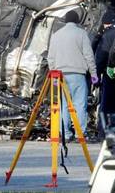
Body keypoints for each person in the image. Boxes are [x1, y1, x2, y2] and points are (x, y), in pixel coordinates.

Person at [47, 10, 98, 141]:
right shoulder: (81, 34)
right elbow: (89, 56)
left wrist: (53, 72)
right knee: (79, 104)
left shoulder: (56, 35)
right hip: (77, 74)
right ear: (77, 21)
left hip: (59, 75)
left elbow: (50, 57)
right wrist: (93, 73)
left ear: (64, 20)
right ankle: (79, 133)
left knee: (63, 105)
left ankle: (65, 134)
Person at [94, 9, 115, 137]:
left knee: (106, 103)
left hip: (110, 72)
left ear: (108, 23)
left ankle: (104, 131)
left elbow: (102, 56)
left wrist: (96, 75)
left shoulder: (108, 34)